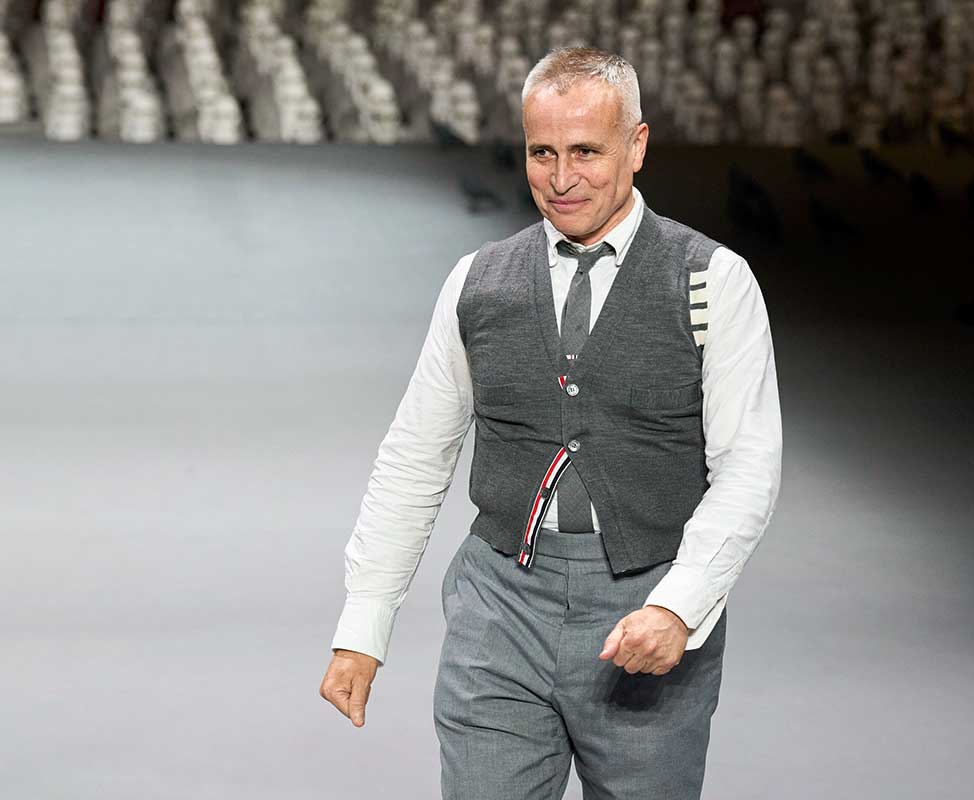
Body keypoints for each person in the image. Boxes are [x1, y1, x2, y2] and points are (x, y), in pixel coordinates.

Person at [319, 46, 782, 799]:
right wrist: (363, 627)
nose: (562, 179)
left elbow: (748, 465)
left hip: (646, 611)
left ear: (637, 146)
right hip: (499, 613)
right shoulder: (476, 284)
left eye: (586, 152)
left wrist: (681, 605)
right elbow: (415, 456)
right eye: (542, 153)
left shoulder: (711, 282)